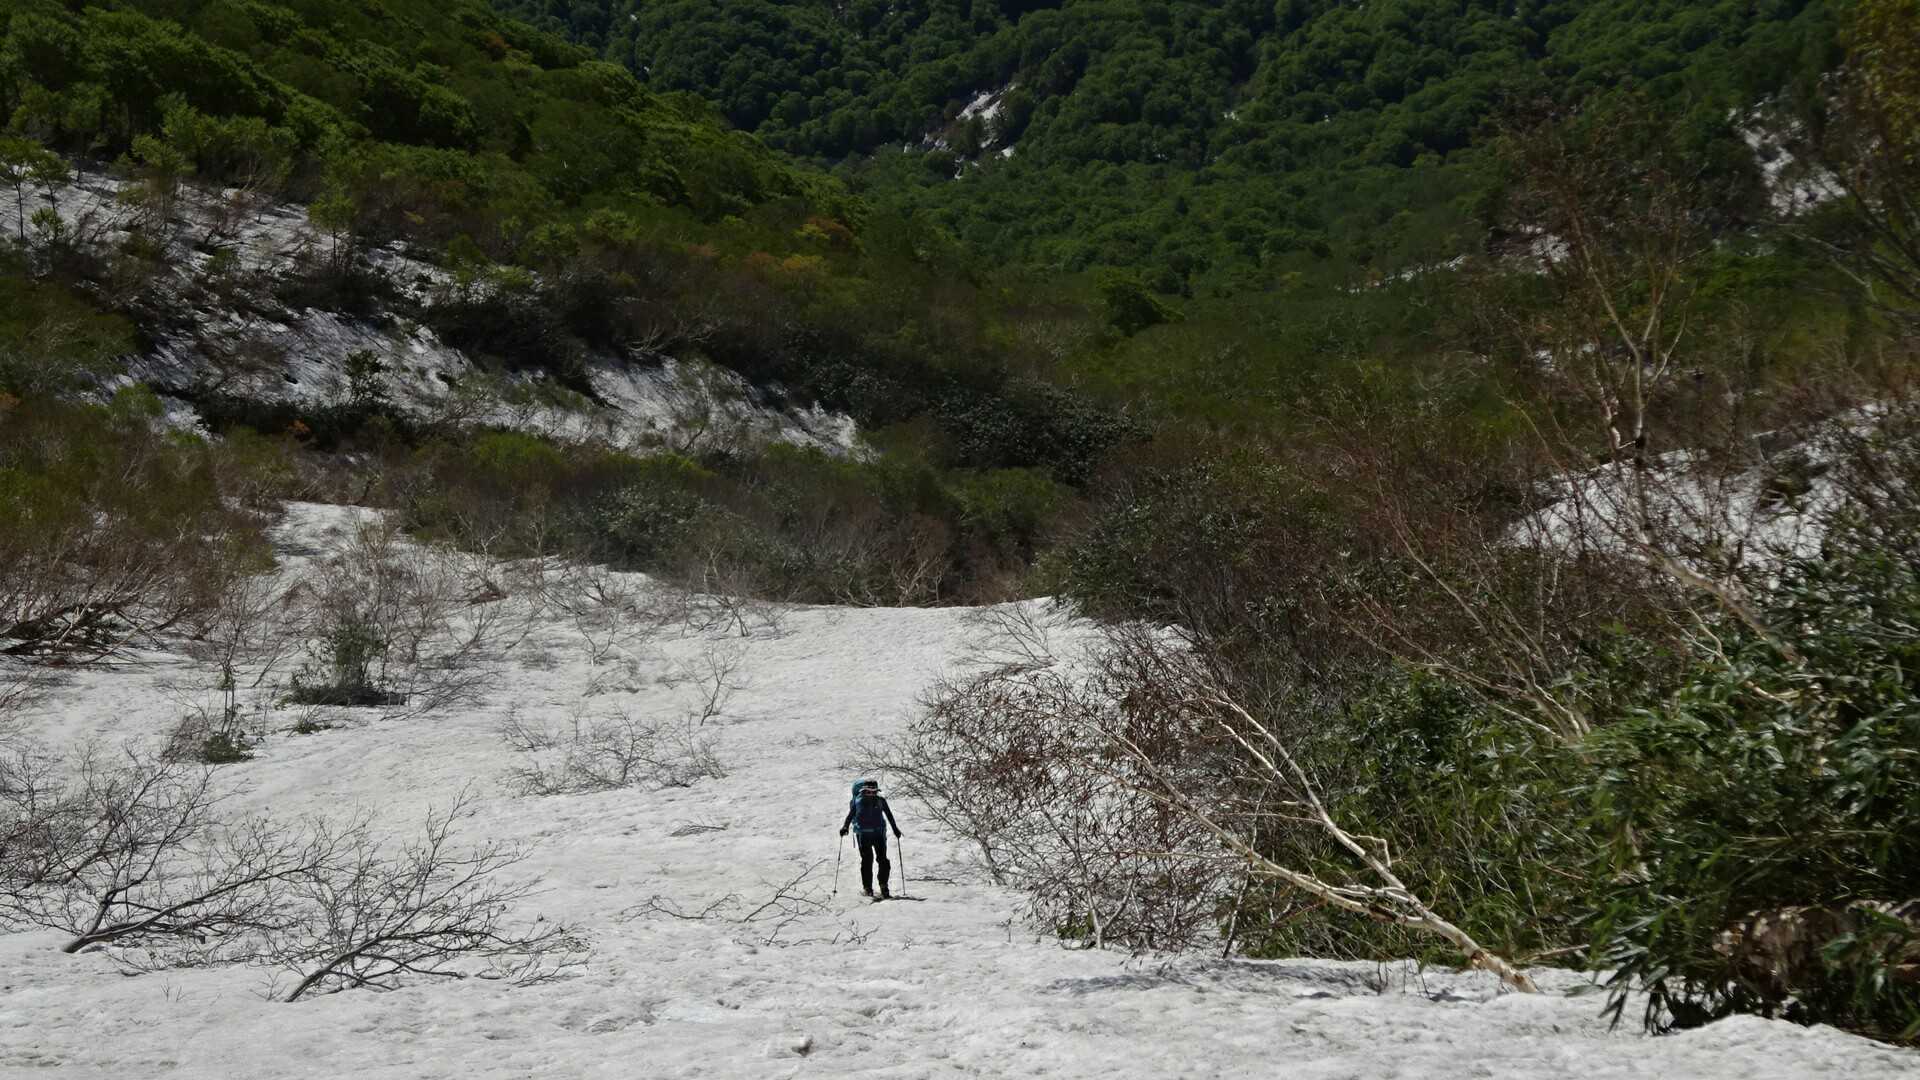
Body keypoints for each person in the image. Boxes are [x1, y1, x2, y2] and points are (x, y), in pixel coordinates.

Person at [839, 778, 901, 899]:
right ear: (863, 790)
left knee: (883, 860)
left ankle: (883, 886)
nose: (871, 794)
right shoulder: (857, 801)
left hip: (879, 834)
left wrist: (895, 829)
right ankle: (868, 888)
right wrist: (845, 827)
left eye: (874, 792)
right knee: (867, 861)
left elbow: (889, 815)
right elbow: (850, 815)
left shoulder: (881, 801)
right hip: (864, 835)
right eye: (868, 791)